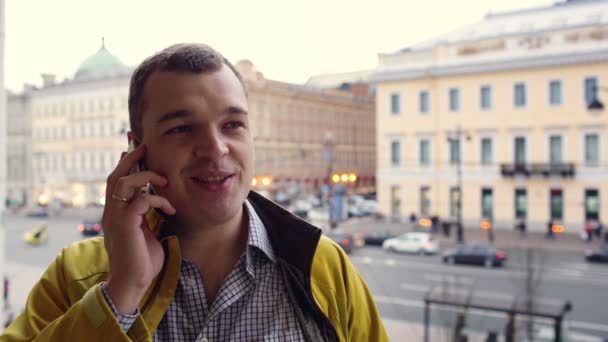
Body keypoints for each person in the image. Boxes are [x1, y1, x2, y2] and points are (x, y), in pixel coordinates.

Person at [2, 44, 388, 341]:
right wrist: (119, 295)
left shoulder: (322, 269)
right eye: (182, 128)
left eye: (233, 124)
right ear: (139, 151)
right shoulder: (76, 277)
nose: (216, 148)